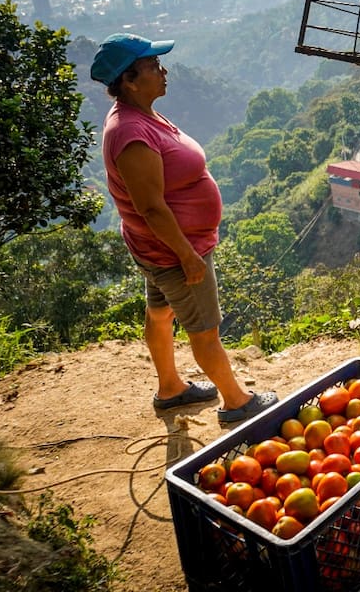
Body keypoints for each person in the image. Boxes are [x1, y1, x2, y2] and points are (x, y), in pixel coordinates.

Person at [91, 33, 277, 423]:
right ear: (128, 79)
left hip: (156, 249)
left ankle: (171, 389)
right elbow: (152, 208)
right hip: (173, 250)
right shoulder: (130, 134)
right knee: (204, 329)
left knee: (160, 312)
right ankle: (236, 403)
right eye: (153, 66)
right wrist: (188, 257)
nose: (164, 71)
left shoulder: (140, 115)